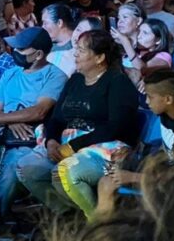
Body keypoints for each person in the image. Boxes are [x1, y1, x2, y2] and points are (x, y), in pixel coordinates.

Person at [16, 30, 139, 218]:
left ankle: (96, 222)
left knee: (64, 173)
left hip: (104, 148)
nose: (75, 54)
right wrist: (51, 141)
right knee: (26, 168)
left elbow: (116, 126)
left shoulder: (117, 82)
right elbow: (56, 118)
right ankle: (70, 215)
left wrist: (74, 146)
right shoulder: (75, 80)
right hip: (67, 143)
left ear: (99, 58)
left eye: (81, 50)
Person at [0, 27, 68, 235]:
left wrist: (1, 119)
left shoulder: (55, 76)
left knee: (10, 173)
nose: (15, 52)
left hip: (30, 140)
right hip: (4, 135)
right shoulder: (11, 73)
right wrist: (8, 120)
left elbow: (40, 111)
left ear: (38, 54)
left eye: (21, 49)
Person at [95, 70, 174, 214]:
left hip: (170, 186)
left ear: (168, 99)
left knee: (110, 186)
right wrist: (130, 155)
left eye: (150, 97)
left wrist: (133, 177)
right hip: (162, 172)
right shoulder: (165, 113)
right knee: (106, 181)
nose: (146, 102)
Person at [115, 17, 172, 91]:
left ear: (158, 40)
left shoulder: (164, 56)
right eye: (139, 32)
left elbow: (142, 69)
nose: (139, 36)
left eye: (145, 33)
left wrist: (126, 43)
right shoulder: (135, 52)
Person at [42, 3, 78, 76]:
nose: (43, 27)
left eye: (45, 23)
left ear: (59, 23)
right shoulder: (47, 44)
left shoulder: (77, 46)